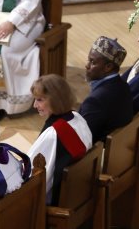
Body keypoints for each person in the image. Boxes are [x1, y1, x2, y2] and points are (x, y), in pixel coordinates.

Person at [27, 74, 92, 205]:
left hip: (55, 200)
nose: (34, 105)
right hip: (79, 191)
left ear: (55, 100)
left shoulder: (53, 134)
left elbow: (33, 176)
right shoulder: (77, 117)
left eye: (39, 100)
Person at [79, 36, 133, 144]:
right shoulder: (124, 87)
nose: (87, 65)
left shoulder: (95, 101)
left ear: (108, 67)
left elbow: (80, 140)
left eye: (92, 62)